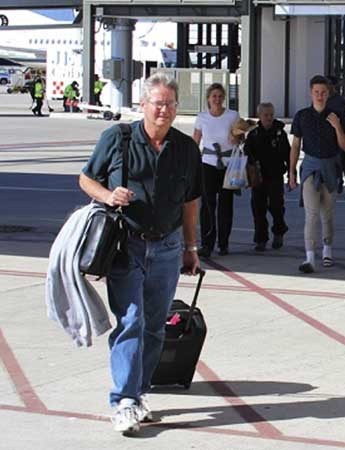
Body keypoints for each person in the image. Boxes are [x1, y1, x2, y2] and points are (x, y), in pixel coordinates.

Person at [79, 72, 202, 434]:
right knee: (131, 319)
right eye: (157, 103)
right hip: (127, 243)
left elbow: (191, 201)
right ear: (143, 106)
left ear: (177, 108)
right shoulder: (117, 139)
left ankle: (139, 394)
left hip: (167, 246)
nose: (163, 110)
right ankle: (124, 400)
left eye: (170, 104)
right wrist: (107, 196)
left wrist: (191, 248)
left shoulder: (185, 149)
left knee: (154, 327)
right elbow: (86, 178)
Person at [289, 75, 345, 273]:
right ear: (310, 92)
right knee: (312, 213)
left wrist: (337, 127)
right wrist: (291, 172)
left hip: (331, 167)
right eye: (316, 92)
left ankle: (327, 249)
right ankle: (309, 257)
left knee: (327, 214)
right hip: (310, 167)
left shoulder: (337, 115)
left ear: (328, 93)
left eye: (323, 92)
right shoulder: (302, 116)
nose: (320, 96)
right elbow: (296, 145)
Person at [193, 82, 240, 257]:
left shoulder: (232, 115)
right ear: (208, 99)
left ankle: (224, 243)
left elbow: (239, 137)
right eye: (214, 96)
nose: (217, 100)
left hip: (228, 164)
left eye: (220, 96)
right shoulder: (202, 117)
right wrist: (192, 164)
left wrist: (235, 138)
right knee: (207, 205)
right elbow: (195, 141)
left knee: (226, 205)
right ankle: (207, 243)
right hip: (208, 163)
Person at [245, 103, 290, 252]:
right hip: (258, 178)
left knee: (276, 207)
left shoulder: (280, 133)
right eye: (266, 115)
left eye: (271, 114)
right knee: (258, 209)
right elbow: (247, 154)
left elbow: (287, 154)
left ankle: (279, 231)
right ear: (259, 116)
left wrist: (291, 173)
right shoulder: (254, 134)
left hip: (275, 176)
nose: (269, 118)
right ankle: (261, 239)